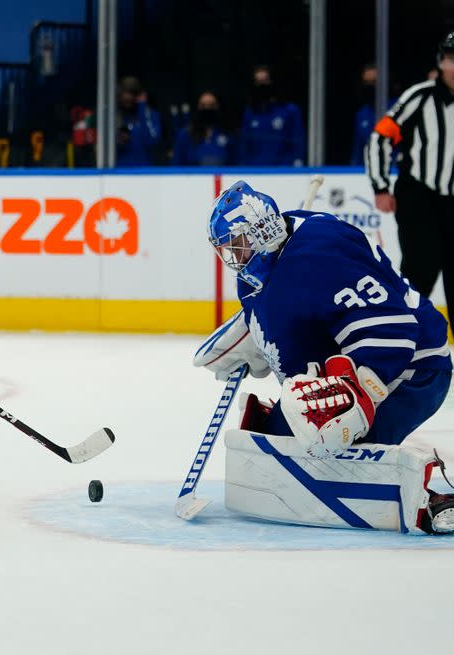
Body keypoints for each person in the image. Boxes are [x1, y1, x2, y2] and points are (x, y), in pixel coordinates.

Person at [194, 180, 453, 534]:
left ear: (261, 232)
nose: (232, 257)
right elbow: (294, 307)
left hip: (413, 369)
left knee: (333, 438)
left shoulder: (321, 254)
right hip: (353, 363)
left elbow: (391, 329)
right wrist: (256, 331)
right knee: (280, 438)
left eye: (237, 245)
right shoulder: (260, 268)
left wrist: (355, 394)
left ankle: (433, 503)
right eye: (226, 248)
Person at [366, 32, 454, 333]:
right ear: (442, 62)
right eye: (452, 59)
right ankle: (403, 346)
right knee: (418, 276)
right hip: (420, 198)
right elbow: (380, 137)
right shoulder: (420, 96)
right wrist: (380, 185)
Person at [238, 65, 306, 166]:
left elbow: (298, 140)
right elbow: (244, 145)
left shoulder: (290, 110)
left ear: (272, 81)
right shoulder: (249, 113)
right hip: (255, 170)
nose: (262, 85)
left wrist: (297, 162)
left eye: (265, 80)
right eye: (258, 81)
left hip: (284, 170)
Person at [172, 91, 234, 166]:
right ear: (198, 107)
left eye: (211, 105)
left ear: (217, 106)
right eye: (203, 105)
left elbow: (236, 163)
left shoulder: (227, 133)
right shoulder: (185, 135)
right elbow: (176, 165)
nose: (207, 108)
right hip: (192, 176)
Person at [116, 76, 162, 167]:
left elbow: (153, 140)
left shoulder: (150, 114)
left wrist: (142, 107)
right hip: (120, 172)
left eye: (131, 95)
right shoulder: (115, 117)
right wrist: (120, 141)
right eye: (124, 95)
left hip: (144, 172)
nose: (127, 99)